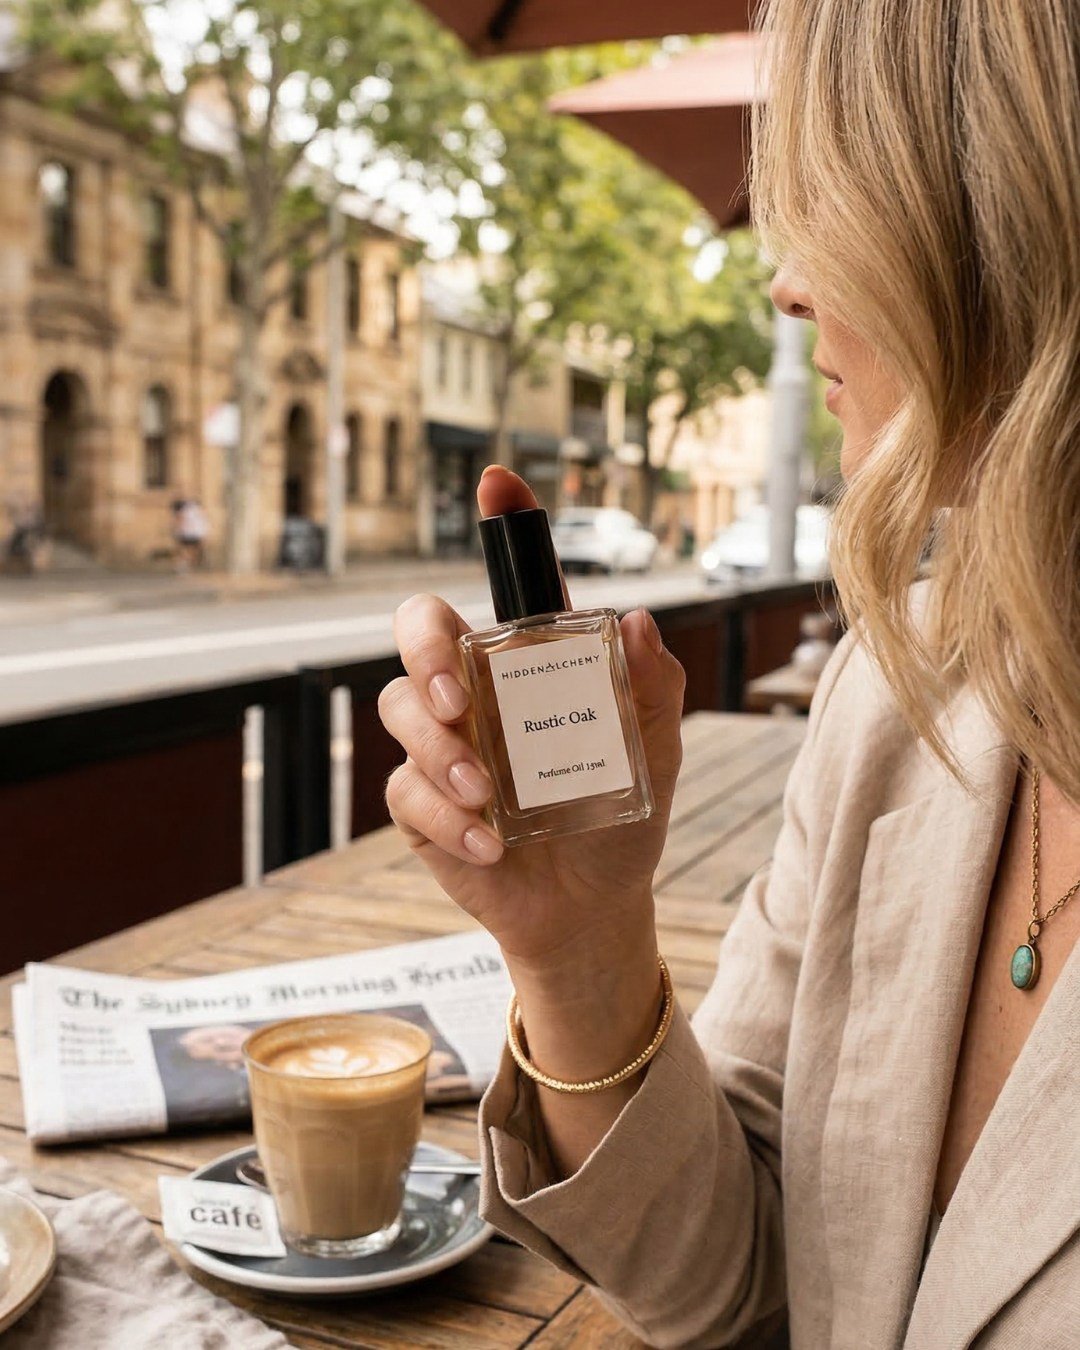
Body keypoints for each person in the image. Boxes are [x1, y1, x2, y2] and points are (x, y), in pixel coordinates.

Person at [378, 2, 1080, 1345]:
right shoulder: (903, 688)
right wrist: (578, 949)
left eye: (840, 188)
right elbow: (746, 1283)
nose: (786, 284)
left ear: (1011, 205)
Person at [172, 496, 209, 572]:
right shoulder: (197, 510)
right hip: (196, 533)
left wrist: (176, 530)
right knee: (191, 550)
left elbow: (180, 520)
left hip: (187, 533)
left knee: (185, 550)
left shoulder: (185, 510)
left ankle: (184, 565)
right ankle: (186, 565)